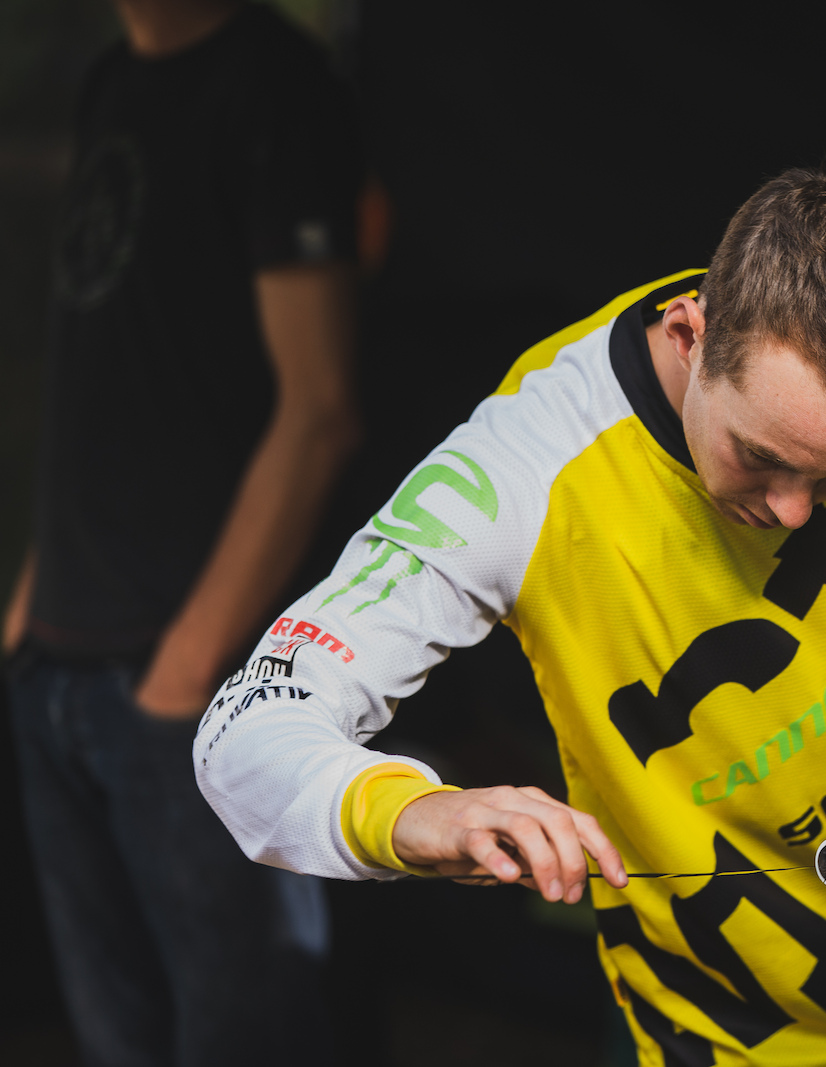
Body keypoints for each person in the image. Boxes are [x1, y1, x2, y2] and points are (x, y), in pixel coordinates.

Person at [195, 167, 826, 1066]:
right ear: (692, 332)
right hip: (733, 1038)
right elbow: (242, 732)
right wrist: (415, 813)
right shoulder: (518, 473)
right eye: (760, 456)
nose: (794, 510)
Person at [2, 0, 361, 1063]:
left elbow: (322, 408)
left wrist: (189, 664)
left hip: (191, 687)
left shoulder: (277, 86)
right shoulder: (112, 79)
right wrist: (29, 615)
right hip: (60, 667)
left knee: (250, 1036)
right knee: (120, 1036)